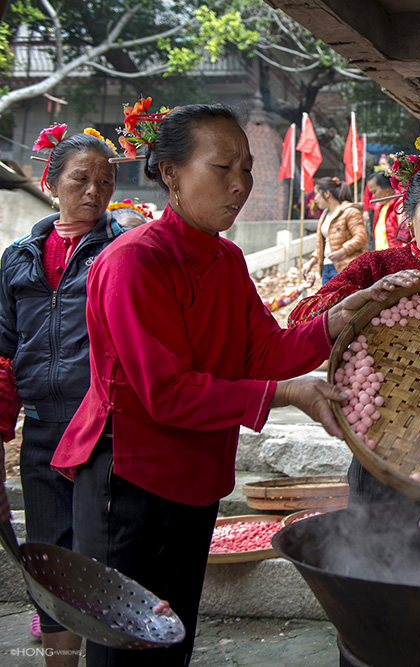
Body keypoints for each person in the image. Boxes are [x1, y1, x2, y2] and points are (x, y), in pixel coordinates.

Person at [48, 103, 378, 667]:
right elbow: (166, 391)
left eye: (246, 168)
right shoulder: (133, 262)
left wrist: (334, 321)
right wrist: (285, 394)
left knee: (172, 637)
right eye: (223, 167)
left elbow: (262, 352)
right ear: (171, 173)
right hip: (128, 480)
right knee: (126, 647)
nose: (240, 184)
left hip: (195, 476)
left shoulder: (225, 259)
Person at [288, 134, 420, 505]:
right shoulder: (376, 268)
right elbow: (299, 318)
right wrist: (360, 301)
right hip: (381, 442)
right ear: (409, 216)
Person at [0, 127, 123, 666]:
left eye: (105, 181)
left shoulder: (120, 253)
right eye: (80, 179)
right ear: (51, 183)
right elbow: (3, 351)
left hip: (99, 429)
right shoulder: (18, 259)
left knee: (96, 557)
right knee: (48, 559)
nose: (94, 191)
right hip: (42, 428)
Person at [302, 177, 366, 284]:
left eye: (317, 194)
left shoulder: (350, 211)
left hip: (346, 267)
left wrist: (342, 251)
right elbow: (323, 245)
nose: (315, 199)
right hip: (326, 268)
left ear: (326, 194)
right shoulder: (324, 215)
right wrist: (311, 263)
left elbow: (361, 237)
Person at [367, 171, 406, 251]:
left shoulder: (400, 206)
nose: (373, 196)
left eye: (374, 192)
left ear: (387, 189)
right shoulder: (380, 208)